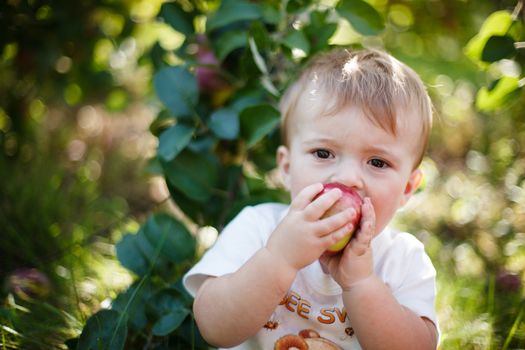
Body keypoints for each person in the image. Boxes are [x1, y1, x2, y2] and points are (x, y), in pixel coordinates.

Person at [183, 48, 439, 349]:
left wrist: (361, 282)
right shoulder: (258, 228)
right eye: (323, 153)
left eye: (378, 162)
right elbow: (214, 327)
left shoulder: (402, 260)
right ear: (287, 167)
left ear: (407, 188)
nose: (346, 178)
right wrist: (279, 258)